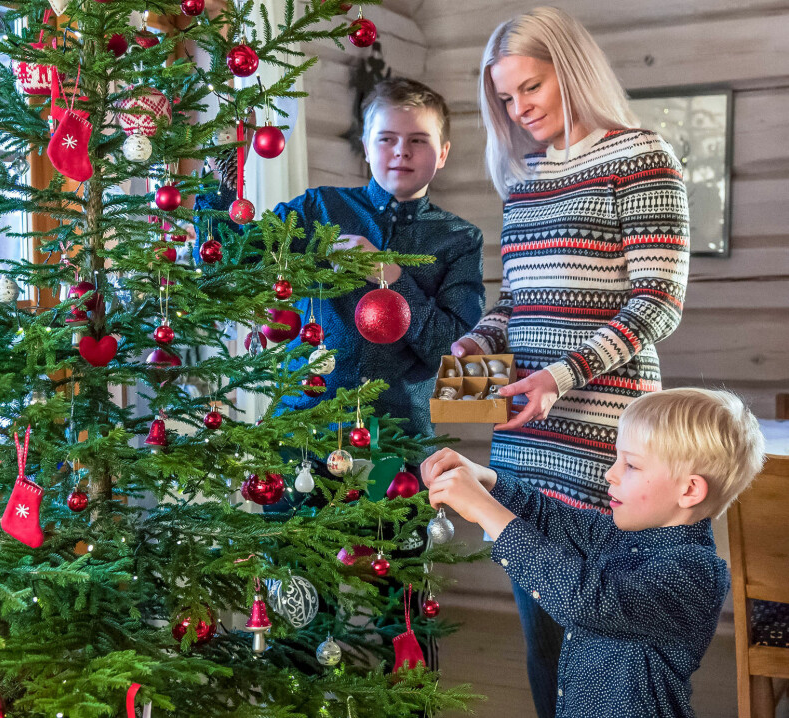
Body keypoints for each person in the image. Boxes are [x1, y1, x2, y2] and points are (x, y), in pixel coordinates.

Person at [448, 8, 691, 714]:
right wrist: (479, 340)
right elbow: (517, 302)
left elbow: (657, 303)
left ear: (572, 70)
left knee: (609, 642)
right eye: (505, 98)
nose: (519, 110)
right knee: (543, 642)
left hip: (608, 446)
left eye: (530, 88)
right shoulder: (524, 182)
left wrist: (560, 376)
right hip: (526, 445)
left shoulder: (642, 158)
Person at [422, 388, 767, 718]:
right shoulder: (623, 534)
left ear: (689, 490)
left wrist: (487, 511)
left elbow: (586, 598)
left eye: (630, 465)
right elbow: (550, 517)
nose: (610, 473)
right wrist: (489, 481)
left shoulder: (695, 573)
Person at [197, 76, 485, 440]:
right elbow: (225, 263)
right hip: (302, 435)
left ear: (442, 152)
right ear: (366, 146)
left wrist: (395, 281)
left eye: (418, 140)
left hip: (399, 448)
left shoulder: (460, 240)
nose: (401, 151)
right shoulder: (318, 209)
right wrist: (219, 181)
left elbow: (455, 357)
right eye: (387, 139)